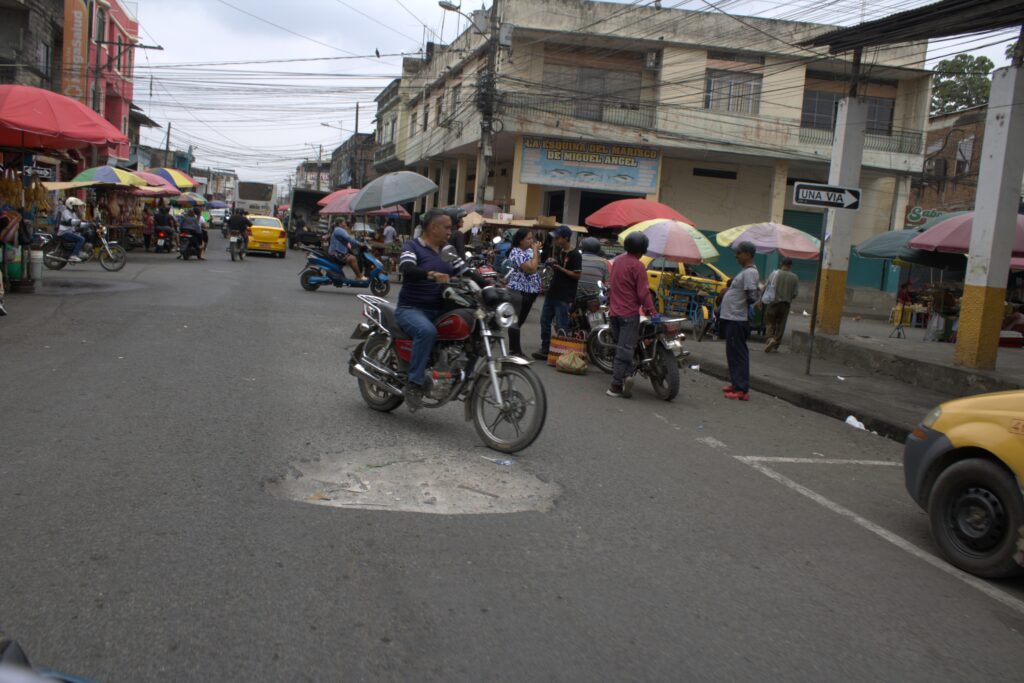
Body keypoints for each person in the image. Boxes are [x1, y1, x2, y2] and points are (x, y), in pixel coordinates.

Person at [396, 208, 455, 410]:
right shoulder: (412, 246)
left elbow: (467, 271)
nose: (450, 232)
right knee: (426, 330)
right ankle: (414, 384)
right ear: (433, 227)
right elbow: (407, 269)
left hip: (440, 309)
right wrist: (431, 274)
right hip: (411, 308)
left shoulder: (448, 251)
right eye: (447, 227)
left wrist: (492, 285)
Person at [606, 231, 658, 398]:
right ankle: (615, 386)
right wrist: (653, 312)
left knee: (623, 347)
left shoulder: (618, 261)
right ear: (642, 249)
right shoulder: (638, 266)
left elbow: (612, 284)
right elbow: (643, 293)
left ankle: (628, 375)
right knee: (625, 349)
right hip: (629, 315)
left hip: (613, 313)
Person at [532, 226, 582, 361]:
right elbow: (558, 269)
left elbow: (577, 275)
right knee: (544, 321)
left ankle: (562, 354)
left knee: (561, 324)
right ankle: (545, 348)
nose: (555, 239)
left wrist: (560, 268)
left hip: (564, 295)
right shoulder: (560, 251)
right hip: (553, 292)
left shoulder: (575, 254)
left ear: (565, 238)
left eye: (558, 237)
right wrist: (553, 262)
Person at [720, 242, 760, 401]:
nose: (736, 256)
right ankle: (736, 384)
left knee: (738, 353)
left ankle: (741, 389)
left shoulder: (750, 272)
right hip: (732, 317)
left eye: (739, 253)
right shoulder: (745, 272)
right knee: (732, 352)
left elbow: (751, 296)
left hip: (737, 318)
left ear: (748, 254)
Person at [505, 228, 542, 358]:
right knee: (516, 321)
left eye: (532, 238)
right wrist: (536, 251)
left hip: (530, 291)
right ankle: (515, 351)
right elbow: (531, 269)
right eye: (528, 238)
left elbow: (536, 265)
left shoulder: (529, 251)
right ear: (520, 241)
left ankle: (515, 350)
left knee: (520, 321)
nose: (532, 241)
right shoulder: (516, 252)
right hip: (519, 291)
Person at [761, 257, 799, 353]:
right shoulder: (795, 277)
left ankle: (770, 339)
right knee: (781, 325)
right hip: (785, 304)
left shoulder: (774, 274)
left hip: (773, 302)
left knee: (770, 321)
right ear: (790, 265)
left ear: (781, 263)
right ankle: (776, 345)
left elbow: (765, 287)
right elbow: (795, 294)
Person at [56, 197, 87, 263]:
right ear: (71, 205)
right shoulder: (65, 212)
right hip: (64, 232)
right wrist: (80, 221)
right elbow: (71, 221)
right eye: (76, 206)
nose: (77, 208)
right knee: (81, 239)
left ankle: (78, 251)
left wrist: (88, 223)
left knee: (83, 234)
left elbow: (78, 222)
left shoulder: (73, 213)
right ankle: (73, 255)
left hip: (69, 231)